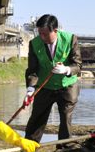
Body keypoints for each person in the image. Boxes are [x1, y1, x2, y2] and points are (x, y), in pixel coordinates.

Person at [23, 14, 82, 143]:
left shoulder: (71, 39)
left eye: (45, 34)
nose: (42, 37)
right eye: (40, 33)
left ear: (55, 31)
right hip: (45, 86)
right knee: (37, 118)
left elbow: (77, 65)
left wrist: (66, 69)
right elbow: (32, 70)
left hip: (67, 86)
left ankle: (64, 150)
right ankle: (28, 149)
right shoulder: (34, 43)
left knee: (66, 118)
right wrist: (30, 89)